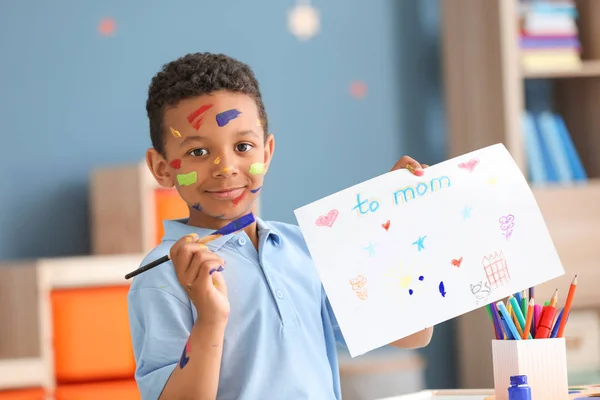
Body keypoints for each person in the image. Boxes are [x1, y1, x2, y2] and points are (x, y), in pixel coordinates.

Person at [127, 52, 434, 400]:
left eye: (243, 146)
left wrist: (396, 226)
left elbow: (411, 334)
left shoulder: (305, 246)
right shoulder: (162, 277)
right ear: (162, 167)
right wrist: (210, 316)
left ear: (266, 153)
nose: (225, 167)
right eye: (198, 152)